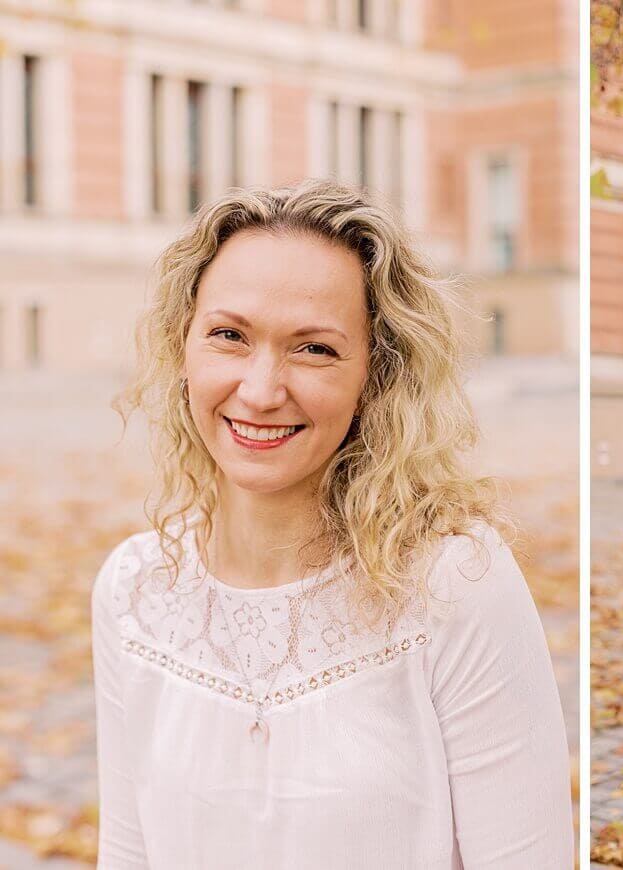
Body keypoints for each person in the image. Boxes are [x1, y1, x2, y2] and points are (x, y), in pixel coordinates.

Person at [91, 180, 575, 868]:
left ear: (374, 379)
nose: (260, 391)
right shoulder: (133, 592)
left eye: (313, 349)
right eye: (230, 336)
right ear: (183, 348)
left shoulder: (454, 584)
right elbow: (127, 853)